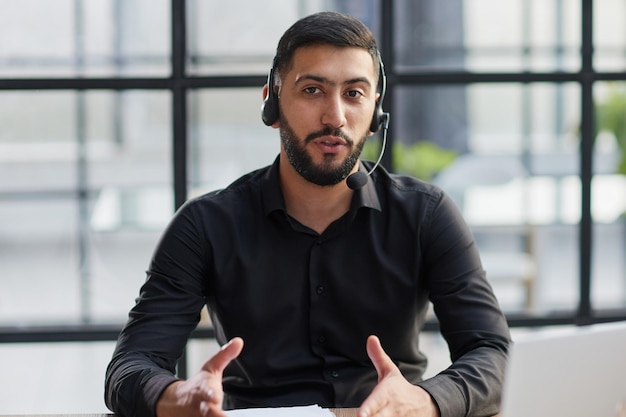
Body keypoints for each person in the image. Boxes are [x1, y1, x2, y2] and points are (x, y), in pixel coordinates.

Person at [105, 11, 511, 417]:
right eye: (313, 90)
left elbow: (491, 353)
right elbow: (129, 368)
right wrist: (182, 397)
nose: (335, 116)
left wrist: (425, 401)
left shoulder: (426, 215)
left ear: (375, 114)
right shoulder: (205, 224)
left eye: (354, 93)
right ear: (273, 103)